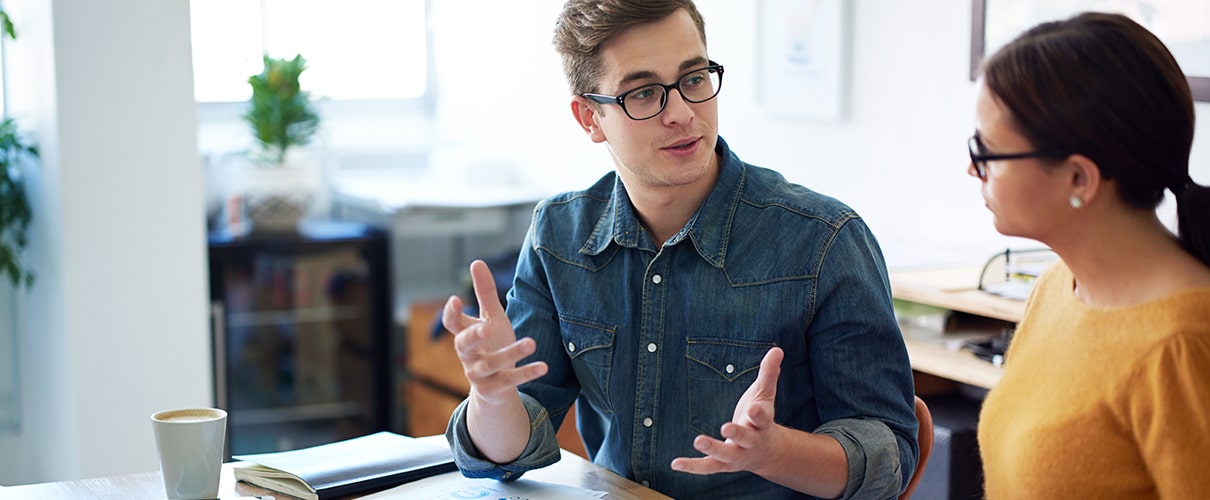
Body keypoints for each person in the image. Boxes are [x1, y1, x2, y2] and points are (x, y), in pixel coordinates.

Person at [441, 1, 917, 498]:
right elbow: (508, 458)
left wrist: (775, 452)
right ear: (590, 119)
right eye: (644, 93)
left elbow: (890, 456)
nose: (682, 114)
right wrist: (492, 398)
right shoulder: (558, 235)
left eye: (693, 79)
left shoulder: (824, 240)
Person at [969, 12, 1210, 499]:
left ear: (1080, 178)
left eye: (986, 152)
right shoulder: (1058, 286)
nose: (972, 170)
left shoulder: (1182, 346)